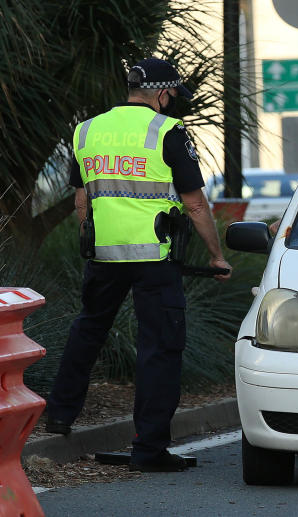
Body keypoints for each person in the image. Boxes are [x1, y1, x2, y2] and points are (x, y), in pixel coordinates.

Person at [44, 57, 232, 473]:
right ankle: (149, 449)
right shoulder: (167, 131)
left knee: (87, 330)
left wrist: (94, 239)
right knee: (159, 349)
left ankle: (59, 414)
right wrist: (217, 257)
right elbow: (195, 203)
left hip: (103, 256)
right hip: (155, 259)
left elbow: (81, 201)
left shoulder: (86, 130)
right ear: (163, 94)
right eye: (172, 97)